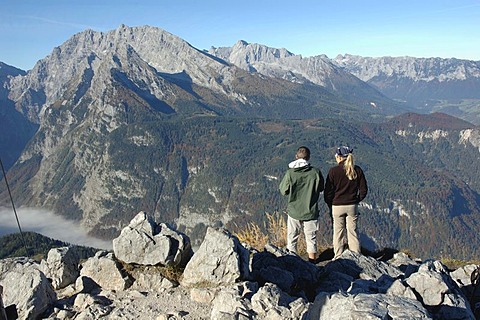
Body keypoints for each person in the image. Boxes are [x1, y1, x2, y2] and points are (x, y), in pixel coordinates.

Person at [279, 146, 324, 263]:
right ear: (308, 158)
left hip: (294, 211)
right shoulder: (315, 172)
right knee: (311, 238)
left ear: (296, 157)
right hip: (311, 211)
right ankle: (312, 263)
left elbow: (283, 190)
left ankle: (292, 262)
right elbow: (321, 188)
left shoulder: (290, 173)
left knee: (292, 238)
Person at [324, 146, 368, 260]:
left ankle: (338, 256)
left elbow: (328, 191)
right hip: (352, 205)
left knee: (338, 232)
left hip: (337, 206)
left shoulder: (333, 171)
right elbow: (363, 190)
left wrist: (331, 202)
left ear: (339, 157)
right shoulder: (356, 170)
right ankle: (356, 256)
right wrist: (357, 200)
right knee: (352, 231)